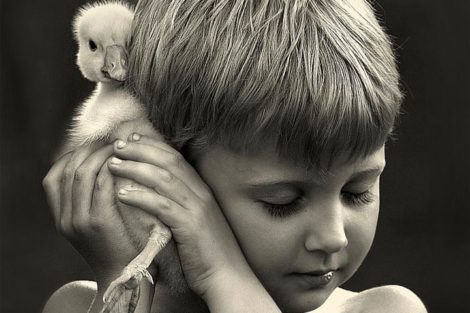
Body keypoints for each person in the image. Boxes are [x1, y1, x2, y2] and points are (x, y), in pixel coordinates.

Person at [42, 0, 427, 312]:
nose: (333, 237)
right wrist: (120, 276)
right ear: (162, 170)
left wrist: (223, 273)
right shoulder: (76, 306)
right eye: (283, 202)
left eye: (358, 191)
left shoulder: (386, 309)